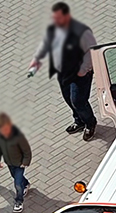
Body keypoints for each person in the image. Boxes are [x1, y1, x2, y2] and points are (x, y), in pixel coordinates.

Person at [28, 2, 98, 141]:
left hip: (79, 74)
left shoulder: (82, 32)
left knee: (78, 100)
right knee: (68, 98)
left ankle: (90, 123)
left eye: (58, 18)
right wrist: (37, 59)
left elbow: (92, 51)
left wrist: (83, 70)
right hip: (63, 73)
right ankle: (79, 121)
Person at [0, 113, 33, 213]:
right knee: (15, 177)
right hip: (9, 163)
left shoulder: (18, 137)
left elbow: (27, 151)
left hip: (19, 164)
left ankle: (19, 201)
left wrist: (25, 162)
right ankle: (26, 184)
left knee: (17, 184)